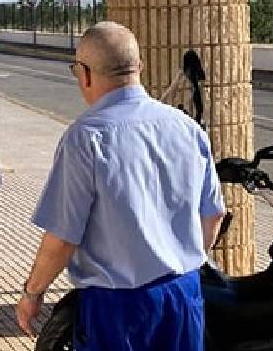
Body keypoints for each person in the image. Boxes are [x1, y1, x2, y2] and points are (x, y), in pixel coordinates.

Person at [15, 21, 226, 350]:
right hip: (183, 296)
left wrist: (32, 292)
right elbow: (214, 215)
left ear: (84, 73)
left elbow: (62, 239)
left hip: (117, 309)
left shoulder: (85, 138)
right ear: (138, 67)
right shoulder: (186, 128)